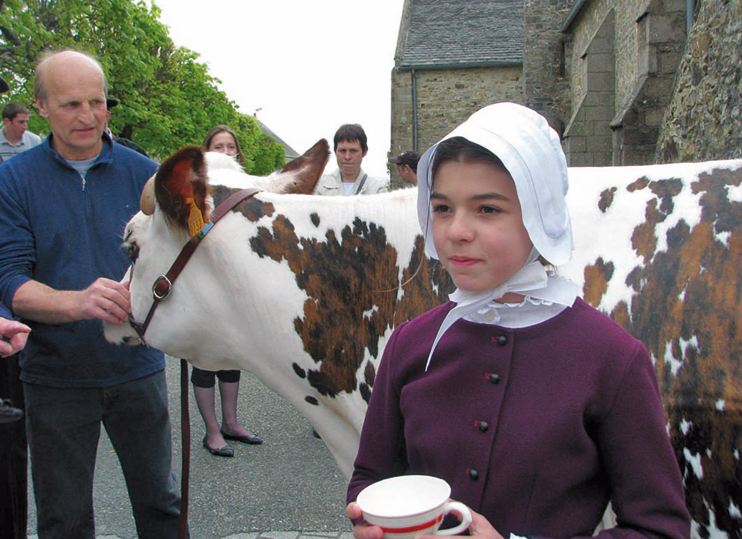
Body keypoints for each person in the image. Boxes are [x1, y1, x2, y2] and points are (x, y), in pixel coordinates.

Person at [346, 103, 690, 539]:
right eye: (443, 208)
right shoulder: (411, 344)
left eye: (487, 209)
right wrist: (370, 522)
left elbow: (659, 529)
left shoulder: (612, 359)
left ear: (539, 216)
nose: (456, 231)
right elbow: (370, 477)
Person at [0, 50, 183, 537]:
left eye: (97, 102)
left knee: (162, 505)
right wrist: (76, 303)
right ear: (40, 105)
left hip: (136, 368)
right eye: (70, 104)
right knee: (64, 517)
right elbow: (10, 280)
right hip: (54, 376)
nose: (87, 117)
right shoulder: (13, 180)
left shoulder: (144, 174)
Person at [193, 124, 263, 457]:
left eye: (230, 147)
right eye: (217, 147)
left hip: (232, 284)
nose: (224, 153)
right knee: (205, 358)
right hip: (202, 284)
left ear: (238, 153)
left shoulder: (245, 191)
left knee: (230, 355)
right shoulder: (193, 191)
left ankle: (231, 422)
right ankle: (211, 431)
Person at [315, 124, 388, 195]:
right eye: (342, 151)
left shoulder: (377, 190)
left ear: (364, 152)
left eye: (353, 151)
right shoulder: (320, 187)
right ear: (335, 151)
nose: (347, 157)